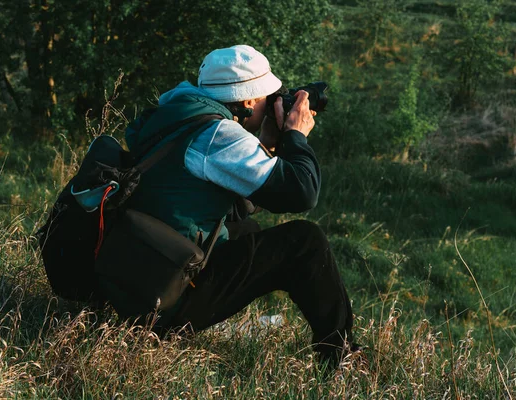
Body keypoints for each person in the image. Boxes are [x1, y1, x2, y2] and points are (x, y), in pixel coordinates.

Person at [122, 45, 356, 365]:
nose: (275, 103)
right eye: (270, 97)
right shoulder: (218, 135)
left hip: (135, 279)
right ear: (248, 100)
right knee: (305, 242)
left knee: (246, 231)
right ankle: (342, 360)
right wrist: (296, 136)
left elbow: (247, 201)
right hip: (162, 303)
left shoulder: (180, 115)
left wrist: (269, 144)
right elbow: (303, 193)